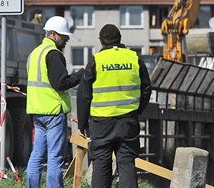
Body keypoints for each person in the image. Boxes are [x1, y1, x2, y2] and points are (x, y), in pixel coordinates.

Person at [76, 24, 152, 188]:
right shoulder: (134, 58)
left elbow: (84, 95)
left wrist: (82, 123)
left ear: (101, 41)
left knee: (101, 163)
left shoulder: (96, 60)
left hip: (101, 123)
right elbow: (146, 88)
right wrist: (137, 109)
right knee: (126, 162)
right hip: (127, 122)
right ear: (120, 39)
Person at [26, 16, 83, 188]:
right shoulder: (54, 54)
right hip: (53, 111)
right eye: (63, 36)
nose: (66, 39)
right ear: (53, 34)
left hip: (37, 111)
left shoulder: (34, 53)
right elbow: (61, 83)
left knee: (36, 155)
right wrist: (81, 74)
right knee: (55, 157)